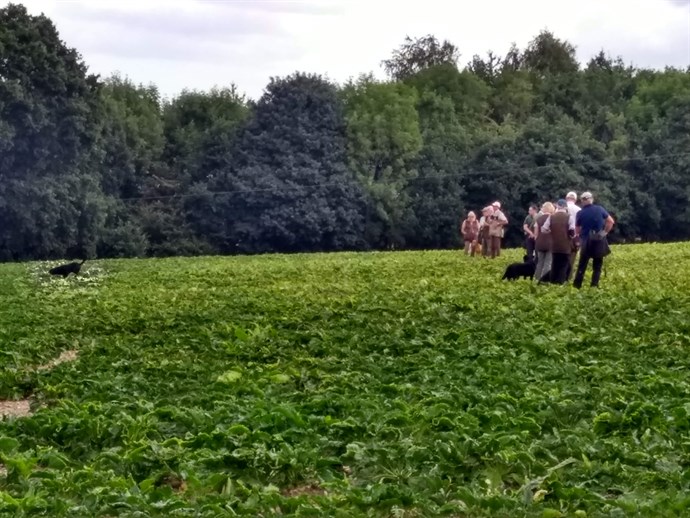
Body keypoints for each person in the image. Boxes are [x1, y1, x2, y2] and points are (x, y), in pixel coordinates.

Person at [573, 192, 615, 289]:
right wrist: (604, 232)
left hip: (586, 241)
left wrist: (580, 235)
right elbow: (611, 221)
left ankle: (577, 286)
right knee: (597, 266)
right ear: (591, 199)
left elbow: (577, 229)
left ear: (582, 201)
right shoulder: (600, 209)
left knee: (582, 265)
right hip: (599, 240)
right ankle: (594, 286)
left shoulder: (580, 213)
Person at [541, 199, 576, 284]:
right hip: (565, 246)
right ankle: (560, 282)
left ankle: (553, 281)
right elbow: (572, 231)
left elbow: (543, 229)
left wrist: (551, 232)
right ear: (565, 207)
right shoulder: (569, 217)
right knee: (564, 265)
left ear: (557, 206)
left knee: (555, 264)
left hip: (554, 245)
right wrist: (572, 236)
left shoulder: (551, 217)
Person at [533, 202, 554, 282]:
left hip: (540, 243)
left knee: (540, 262)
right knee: (548, 263)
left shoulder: (538, 219)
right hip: (550, 244)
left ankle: (536, 278)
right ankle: (544, 280)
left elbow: (536, 234)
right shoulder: (552, 218)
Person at [565, 191, 581, 280]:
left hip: (562, 237)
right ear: (575, 199)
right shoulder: (579, 209)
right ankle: (569, 277)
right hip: (575, 238)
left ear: (566, 198)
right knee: (572, 259)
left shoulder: (560, 208)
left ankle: (560, 276)